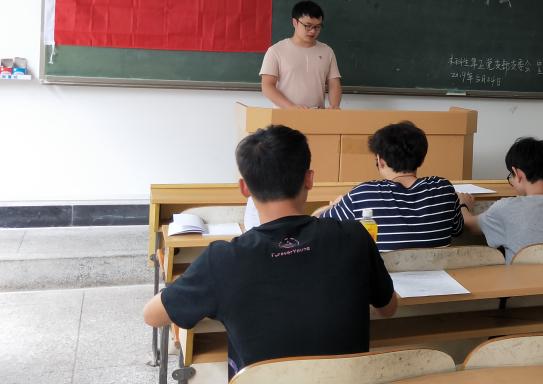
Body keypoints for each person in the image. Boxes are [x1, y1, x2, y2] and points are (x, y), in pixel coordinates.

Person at [143, 125, 396, 379]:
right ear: (309, 179)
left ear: (245, 188)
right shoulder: (355, 236)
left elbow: (152, 315)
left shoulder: (221, 261)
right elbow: (388, 308)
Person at [316, 121, 463, 251]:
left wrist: (334, 205)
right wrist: (463, 206)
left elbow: (315, 227)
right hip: (438, 273)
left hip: (380, 274)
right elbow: (458, 230)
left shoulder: (363, 194)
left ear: (380, 161)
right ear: (422, 158)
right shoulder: (443, 189)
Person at [458, 137, 543, 263]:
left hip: (521, 282)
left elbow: (470, 226)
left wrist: (464, 205)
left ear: (518, 174)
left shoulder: (505, 209)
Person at [260, 0, 342, 109]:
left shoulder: (327, 51)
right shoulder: (276, 50)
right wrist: (291, 107)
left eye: (317, 27)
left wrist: (334, 106)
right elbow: (267, 85)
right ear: (295, 22)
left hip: (317, 114)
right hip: (285, 114)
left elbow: (334, 83)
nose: (312, 31)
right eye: (308, 26)